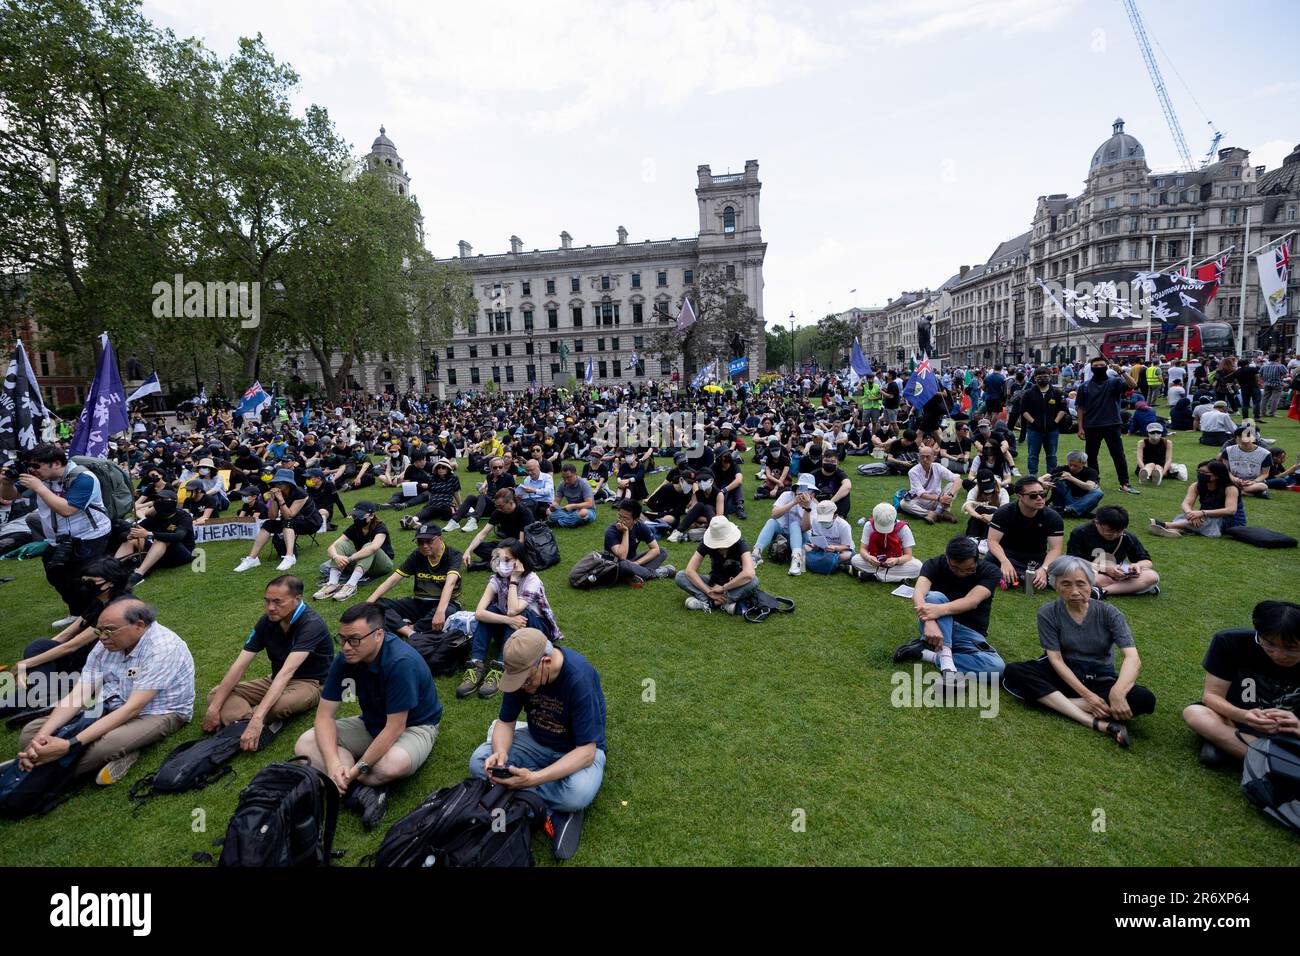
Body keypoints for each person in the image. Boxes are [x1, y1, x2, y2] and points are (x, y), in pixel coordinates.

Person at [294, 603, 443, 830]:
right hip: (372, 723)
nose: (346, 647)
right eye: (342, 639)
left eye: (354, 639)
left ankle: (350, 781)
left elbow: (395, 727)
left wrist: (353, 771)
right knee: (305, 742)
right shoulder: (346, 658)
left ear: (379, 635)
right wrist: (334, 764)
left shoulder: (400, 663)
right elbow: (324, 716)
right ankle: (360, 785)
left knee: (393, 764)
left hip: (416, 726)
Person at [15, 598, 194, 785]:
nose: (101, 637)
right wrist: (41, 738)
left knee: (100, 748)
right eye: (99, 631)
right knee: (31, 732)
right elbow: (79, 695)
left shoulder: (162, 648)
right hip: (112, 702)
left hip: (157, 712)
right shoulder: (106, 643)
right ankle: (47, 760)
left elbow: (132, 709)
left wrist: (70, 745)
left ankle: (35, 768)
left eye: (108, 630)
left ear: (139, 626)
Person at [468, 627, 606, 857]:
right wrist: (500, 754)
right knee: (479, 761)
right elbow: (505, 722)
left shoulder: (579, 677)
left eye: (526, 681)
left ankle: (520, 791)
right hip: (536, 739)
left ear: (546, 662)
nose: (522, 686)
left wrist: (533, 778)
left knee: (578, 793)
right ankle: (552, 804)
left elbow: (587, 752)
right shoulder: (521, 672)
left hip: (577, 750)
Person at [1001, 556, 1155, 748]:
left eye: (1081, 584)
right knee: (1013, 672)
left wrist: (1117, 692)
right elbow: (1055, 660)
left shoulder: (1109, 613)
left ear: (1091, 584)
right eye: (1066, 584)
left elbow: (1132, 658)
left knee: (1144, 699)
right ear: (1055, 585)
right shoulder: (1047, 613)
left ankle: (1057, 702)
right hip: (1062, 673)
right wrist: (1088, 697)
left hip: (1099, 678)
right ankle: (1093, 720)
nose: (1074, 591)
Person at [202, 576, 332, 749]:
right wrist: (213, 709)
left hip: (310, 683)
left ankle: (247, 721)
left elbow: (288, 671)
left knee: (279, 707)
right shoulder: (267, 621)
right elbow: (240, 665)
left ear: (297, 599)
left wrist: (257, 718)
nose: (270, 608)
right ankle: (253, 723)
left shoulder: (311, 624)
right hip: (275, 678)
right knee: (215, 695)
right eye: (267, 601)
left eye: (278, 602)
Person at [1, 443, 112, 627]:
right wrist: (6, 482)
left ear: (57, 463)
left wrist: (39, 487)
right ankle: (77, 613)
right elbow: (8, 496)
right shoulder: (39, 477)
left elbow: (67, 510)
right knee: (56, 574)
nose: (31, 470)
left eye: (36, 466)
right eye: (29, 465)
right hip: (57, 538)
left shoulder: (83, 478)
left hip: (89, 535)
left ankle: (99, 616)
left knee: (87, 579)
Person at [7, 558, 134, 715]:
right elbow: (64, 636)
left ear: (111, 582)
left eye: (91, 582)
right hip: (83, 661)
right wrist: (35, 660)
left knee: (24, 689)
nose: (85, 586)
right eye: (84, 581)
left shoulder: (117, 609)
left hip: (103, 668)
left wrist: (26, 663)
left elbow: (72, 645)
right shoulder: (99, 600)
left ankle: (44, 698)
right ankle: (44, 696)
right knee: (39, 646)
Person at [1183, 600, 1300, 766]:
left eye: (1291, 648)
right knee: (1194, 713)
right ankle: (1281, 763)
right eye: (1269, 645)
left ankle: (1234, 749)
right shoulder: (1230, 642)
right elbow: (1211, 696)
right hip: (1237, 723)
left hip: (1291, 734)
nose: (1279, 655)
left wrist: (1297, 726)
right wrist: (1244, 716)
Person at [457, 538, 562, 700]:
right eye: (499, 559)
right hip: (513, 624)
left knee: (521, 613)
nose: (501, 564)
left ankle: (501, 668)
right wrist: (507, 620)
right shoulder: (497, 579)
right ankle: (475, 664)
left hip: (538, 629)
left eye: (507, 560)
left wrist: (514, 579)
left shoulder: (531, 580)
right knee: (491, 611)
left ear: (520, 560)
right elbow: (479, 613)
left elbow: (514, 610)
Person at [893, 535, 1006, 683]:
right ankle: (948, 667)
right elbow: (918, 594)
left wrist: (939, 611)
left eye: (968, 570)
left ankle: (926, 654)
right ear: (947, 558)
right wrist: (930, 622)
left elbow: (972, 601)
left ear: (976, 560)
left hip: (969, 633)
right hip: (936, 628)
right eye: (955, 568)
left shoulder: (990, 571)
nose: (961, 573)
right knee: (934, 597)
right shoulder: (934, 564)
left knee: (997, 668)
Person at [368, 523, 463, 636]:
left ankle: (404, 626)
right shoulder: (417, 555)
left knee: (449, 612)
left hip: (446, 603)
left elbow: (450, 583)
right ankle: (411, 631)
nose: (424, 546)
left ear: (440, 538)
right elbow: (393, 580)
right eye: (420, 542)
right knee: (376, 604)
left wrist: (440, 611)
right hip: (419, 603)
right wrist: (367, 604)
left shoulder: (453, 555)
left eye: (429, 541)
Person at [233, 468, 320, 573]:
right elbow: (272, 517)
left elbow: (289, 515)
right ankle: (252, 558)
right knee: (268, 524)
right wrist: (273, 500)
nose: (277, 486)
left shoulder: (300, 493)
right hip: (290, 522)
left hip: (310, 522)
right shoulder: (277, 494)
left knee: (288, 522)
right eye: (275, 483)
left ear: (288, 484)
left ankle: (289, 556)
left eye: (280, 483)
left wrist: (281, 500)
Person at [986, 475, 1064, 591]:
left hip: (1037, 560)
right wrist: (1004, 561)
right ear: (1019, 496)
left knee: (1063, 565)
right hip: (1008, 555)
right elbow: (992, 541)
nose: (1039, 498)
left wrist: (1044, 568)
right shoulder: (1004, 513)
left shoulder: (1053, 517)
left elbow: (1056, 549)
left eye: (1042, 494)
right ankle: (1020, 578)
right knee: (990, 559)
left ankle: (1013, 579)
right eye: (1033, 495)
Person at [1066, 505, 1160, 598]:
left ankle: (1103, 591)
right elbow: (1073, 560)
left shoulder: (1127, 537)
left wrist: (1138, 566)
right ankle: (1137, 587)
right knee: (1096, 579)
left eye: (1119, 531)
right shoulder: (1081, 532)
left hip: (1118, 573)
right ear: (1097, 523)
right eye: (1109, 531)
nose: (1114, 535)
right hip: (1090, 570)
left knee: (1152, 576)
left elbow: (1147, 561)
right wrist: (1104, 569)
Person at [1076, 357, 1138, 495]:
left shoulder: (1114, 382)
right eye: (1096, 365)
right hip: (1091, 425)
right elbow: (1080, 407)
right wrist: (1080, 427)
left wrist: (1122, 371)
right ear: (1091, 368)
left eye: (1102, 365)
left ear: (1107, 367)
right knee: (1091, 456)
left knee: (1118, 455)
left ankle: (1124, 483)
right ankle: (1095, 482)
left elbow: (1133, 385)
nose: (1099, 368)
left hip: (1112, 424)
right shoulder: (1084, 386)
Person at [314, 501, 395, 601]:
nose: (357, 519)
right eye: (355, 516)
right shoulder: (355, 528)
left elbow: (373, 548)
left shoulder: (380, 527)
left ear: (371, 516)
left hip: (382, 565)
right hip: (363, 563)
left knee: (368, 546)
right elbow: (331, 548)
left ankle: (351, 585)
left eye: (360, 517)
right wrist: (336, 557)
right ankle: (332, 583)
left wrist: (349, 559)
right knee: (340, 545)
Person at [675, 515, 758, 613]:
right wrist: (708, 591)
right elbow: (690, 570)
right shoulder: (705, 543)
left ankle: (712, 603)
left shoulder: (740, 544)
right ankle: (717, 602)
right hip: (713, 582)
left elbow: (749, 573)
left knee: (753, 581)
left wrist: (724, 588)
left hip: (735, 584)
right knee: (681, 576)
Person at [114, 490, 194, 588]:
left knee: (161, 540)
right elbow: (127, 532)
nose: (158, 502)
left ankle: (138, 574)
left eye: (162, 499)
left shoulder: (183, 516)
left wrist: (148, 534)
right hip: (160, 555)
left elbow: (178, 536)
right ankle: (113, 571)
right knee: (132, 539)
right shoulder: (156, 517)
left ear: (173, 502)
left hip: (182, 554)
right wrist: (129, 535)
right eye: (157, 499)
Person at [1149, 459, 1245, 539]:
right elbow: (1186, 504)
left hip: (1229, 521)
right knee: (1186, 518)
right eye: (1199, 472)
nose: (1201, 474)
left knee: (1204, 521)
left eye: (1205, 473)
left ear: (1217, 475)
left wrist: (1202, 513)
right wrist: (1190, 514)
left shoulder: (1230, 488)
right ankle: (1175, 531)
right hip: (1205, 516)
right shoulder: (1196, 485)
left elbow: (1231, 510)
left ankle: (1166, 525)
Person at [751, 472, 815, 575]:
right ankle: (756, 554)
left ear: (812, 494)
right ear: (797, 488)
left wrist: (807, 508)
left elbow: (805, 528)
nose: (804, 492)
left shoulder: (814, 505)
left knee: (795, 524)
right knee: (771, 522)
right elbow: (774, 515)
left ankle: (797, 560)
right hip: (782, 531)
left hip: (800, 537)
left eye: (808, 490)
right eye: (802, 488)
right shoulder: (787, 495)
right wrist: (793, 502)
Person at [604, 499, 674, 586]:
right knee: (624, 564)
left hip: (633, 561)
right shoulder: (611, 531)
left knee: (662, 551)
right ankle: (656, 573)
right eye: (619, 516)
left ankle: (635, 574)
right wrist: (626, 532)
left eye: (626, 518)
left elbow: (655, 549)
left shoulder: (640, 526)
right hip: (616, 565)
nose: (621, 521)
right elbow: (622, 556)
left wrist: (637, 563)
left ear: (636, 520)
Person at [851, 502, 922, 583]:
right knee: (855, 560)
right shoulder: (869, 525)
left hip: (897, 563)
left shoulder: (903, 528)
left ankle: (874, 576)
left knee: (918, 567)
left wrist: (896, 560)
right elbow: (863, 549)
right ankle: (898, 578)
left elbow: (908, 555)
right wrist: (869, 558)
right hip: (875, 561)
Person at [462, 486, 530, 569]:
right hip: (508, 544)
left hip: (523, 547)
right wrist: (468, 551)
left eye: (501, 506)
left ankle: (486, 564)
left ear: (511, 502)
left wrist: (505, 552)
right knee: (478, 548)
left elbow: (521, 541)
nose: (498, 509)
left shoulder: (524, 512)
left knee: (514, 553)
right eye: (497, 506)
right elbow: (483, 534)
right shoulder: (498, 512)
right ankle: (501, 561)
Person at [445, 456, 515, 533]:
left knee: (482, 496)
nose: (498, 469)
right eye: (495, 467)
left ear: (503, 467)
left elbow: (513, 493)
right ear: (491, 468)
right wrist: (484, 490)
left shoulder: (508, 477)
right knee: (471, 497)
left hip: (498, 506)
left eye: (500, 467)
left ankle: (474, 521)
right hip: (486, 504)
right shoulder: (489, 477)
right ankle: (455, 521)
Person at [900, 445, 959, 524]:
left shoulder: (938, 467)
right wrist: (939, 498)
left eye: (928, 457)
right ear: (919, 457)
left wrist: (949, 496)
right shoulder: (913, 471)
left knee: (953, 484)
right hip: (921, 501)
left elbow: (958, 480)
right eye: (922, 457)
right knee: (903, 504)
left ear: (933, 458)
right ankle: (934, 513)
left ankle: (940, 510)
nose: (925, 459)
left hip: (939, 502)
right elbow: (921, 494)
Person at [1041, 450, 1103, 519]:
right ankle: (1076, 512)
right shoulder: (1062, 469)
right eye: (1070, 464)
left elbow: (1089, 487)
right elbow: (1043, 477)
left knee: (1098, 492)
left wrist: (1071, 478)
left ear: (1084, 463)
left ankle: (1070, 510)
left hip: (1084, 500)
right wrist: (1042, 482)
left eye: (1075, 465)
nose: (1072, 467)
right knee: (1059, 482)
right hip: (1067, 499)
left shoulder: (1091, 472)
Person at [961, 468, 1008, 555]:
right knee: (979, 508)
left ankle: (986, 540)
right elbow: (968, 506)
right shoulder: (974, 490)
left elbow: (1004, 510)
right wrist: (978, 516)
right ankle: (972, 537)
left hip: (995, 524)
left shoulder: (1003, 492)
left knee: (994, 509)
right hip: (979, 520)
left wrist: (992, 517)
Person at [799, 500, 855, 574]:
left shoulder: (844, 526)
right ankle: (833, 563)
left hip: (839, 550)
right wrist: (815, 545)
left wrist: (835, 548)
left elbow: (846, 546)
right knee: (805, 547)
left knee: (846, 555)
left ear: (835, 516)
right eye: (822, 519)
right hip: (822, 549)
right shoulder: (816, 521)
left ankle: (816, 561)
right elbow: (816, 538)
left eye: (826, 520)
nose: (823, 522)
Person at [1220, 425, 1272, 499]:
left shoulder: (1265, 453)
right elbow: (1225, 470)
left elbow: (1265, 474)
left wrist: (1254, 481)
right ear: (1236, 439)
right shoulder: (1228, 451)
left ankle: (1236, 491)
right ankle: (1247, 492)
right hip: (1233, 480)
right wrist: (1234, 479)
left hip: (1253, 482)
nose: (1244, 439)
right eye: (1240, 436)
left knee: (1263, 486)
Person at [811, 447, 852, 518]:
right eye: (826, 461)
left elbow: (848, 486)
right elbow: (805, 492)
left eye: (833, 461)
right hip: (817, 504)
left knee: (846, 492)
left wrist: (830, 502)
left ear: (837, 463)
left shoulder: (839, 473)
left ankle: (840, 516)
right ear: (822, 461)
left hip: (833, 503)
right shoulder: (813, 475)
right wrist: (819, 506)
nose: (829, 463)